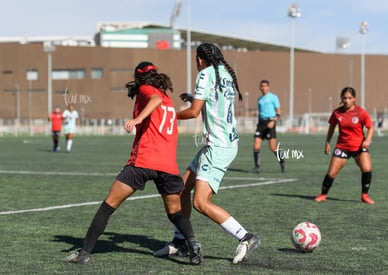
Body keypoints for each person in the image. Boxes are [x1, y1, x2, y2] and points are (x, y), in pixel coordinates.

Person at [64, 61, 202, 265]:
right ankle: (193, 243)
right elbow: (162, 104)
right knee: (175, 213)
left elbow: (153, 99)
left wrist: (137, 120)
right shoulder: (167, 98)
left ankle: (84, 253)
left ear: (139, 77)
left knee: (108, 206)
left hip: (144, 161)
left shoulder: (149, 91)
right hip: (168, 166)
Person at [154, 43, 260, 264]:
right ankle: (181, 241)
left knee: (200, 203)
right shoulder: (226, 75)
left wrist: (168, 114)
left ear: (200, 60)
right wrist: (194, 98)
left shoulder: (205, 73)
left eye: (196, 59)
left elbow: (193, 113)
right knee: (182, 189)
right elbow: (213, 103)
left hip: (217, 147)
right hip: (222, 143)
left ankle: (246, 237)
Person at [315, 86, 375, 204]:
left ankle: (364, 195)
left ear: (354, 99)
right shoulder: (337, 113)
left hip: (359, 147)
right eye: (344, 98)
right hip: (342, 147)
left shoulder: (361, 112)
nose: (347, 100)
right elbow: (332, 127)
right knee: (331, 173)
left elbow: (370, 127)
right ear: (341, 99)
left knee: (367, 168)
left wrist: (367, 140)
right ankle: (323, 194)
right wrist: (327, 142)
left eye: (349, 98)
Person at [252, 80, 285, 173]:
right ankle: (257, 167)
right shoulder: (259, 100)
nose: (263, 87)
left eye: (265, 86)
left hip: (271, 122)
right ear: (260, 88)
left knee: (273, 147)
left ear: (268, 87)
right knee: (256, 145)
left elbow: (279, 111)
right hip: (261, 124)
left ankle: (282, 161)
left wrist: (273, 121)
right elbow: (260, 113)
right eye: (262, 86)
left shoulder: (273, 97)